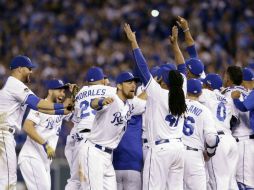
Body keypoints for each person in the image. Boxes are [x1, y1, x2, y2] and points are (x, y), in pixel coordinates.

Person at [124, 23, 186, 189]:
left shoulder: (158, 94)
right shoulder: (182, 91)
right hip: (179, 148)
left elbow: (143, 68)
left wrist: (133, 42)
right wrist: (175, 45)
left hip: (160, 150)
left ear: (164, 82)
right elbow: (183, 68)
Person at [0, 55, 72, 189]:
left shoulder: (13, 85)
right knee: (8, 181)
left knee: (7, 180)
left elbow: (44, 109)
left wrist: (64, 109)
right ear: (20, 69)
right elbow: (37, 104)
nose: (31, 72)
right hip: (3, 134)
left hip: (6, 134)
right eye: (29, 68)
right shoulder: (14, 84)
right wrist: (62, 107)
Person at [78, 71, 146, 190]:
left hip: (108, 157)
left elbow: (150, 99)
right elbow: (93, 103)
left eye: (134, 83)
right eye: (129, 82)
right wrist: (101, 102)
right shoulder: (112, 98)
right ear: (119, 86)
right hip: (93, 151)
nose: (133, 85)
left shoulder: (131, 103)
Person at [65, 66, 116, 190]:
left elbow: (70, 116)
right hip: (95, 141)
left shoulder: (80, 93)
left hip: (80, 139)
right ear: (102, 79)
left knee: (75, 181)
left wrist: (74, 96)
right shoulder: (110, 90)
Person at [18, 79, 72, 190]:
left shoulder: (59, 109)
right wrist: (45, 144)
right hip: (31, 156)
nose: (62, 94)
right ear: (50, 91)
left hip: (44, 161)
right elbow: (27, 126)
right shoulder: (40, 106)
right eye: (60, 91)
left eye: (64, 92)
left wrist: (74, 93)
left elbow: (71, 109)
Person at [200, 73, 239, 189]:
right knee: (231, 181)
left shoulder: (206, 93)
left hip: (218, 141)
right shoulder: (228, 99)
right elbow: (234, 120)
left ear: (207, 85)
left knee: (217, 182)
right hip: (230, 140)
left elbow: (192, 94)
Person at [183, 79, 218, 190]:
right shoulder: (204, 110)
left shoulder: (175, 106)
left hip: (176, 153)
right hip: (194, 156)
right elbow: (211, 139)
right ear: (201, 93)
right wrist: (209, 153)